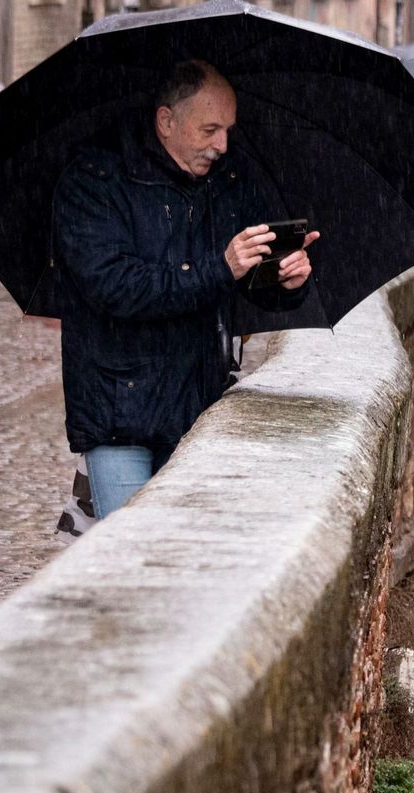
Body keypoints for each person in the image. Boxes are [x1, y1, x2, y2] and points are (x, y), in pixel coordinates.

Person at [52, 60, 317, 519]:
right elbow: (116, 288)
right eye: (210, 129)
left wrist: (285, 280)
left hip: (198, 406)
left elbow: (246, 280)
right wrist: (219, 268)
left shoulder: (229, 181)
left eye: (228, 130)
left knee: (187, 558)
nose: (222, 145)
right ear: (166, 121)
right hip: (120, 411)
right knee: (130, 554)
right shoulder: (93, 183)